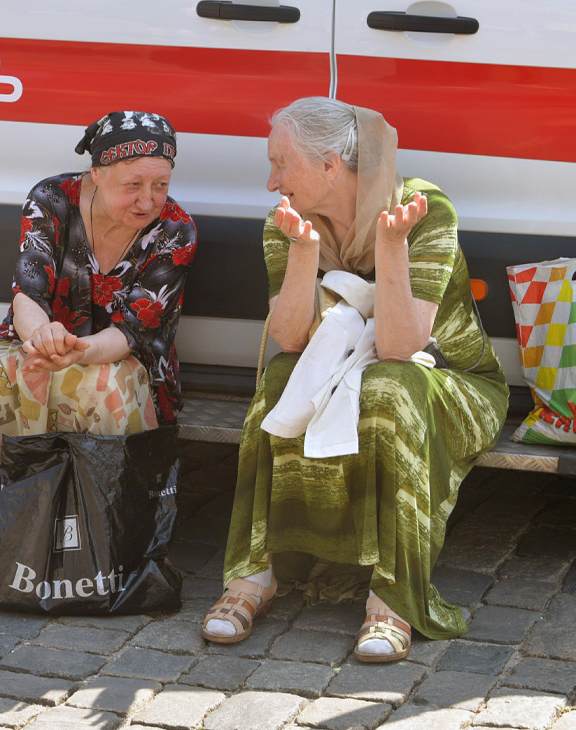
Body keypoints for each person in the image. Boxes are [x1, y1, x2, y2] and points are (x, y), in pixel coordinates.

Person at [201, 97, 508, 662]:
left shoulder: (421, 208)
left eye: (280, 164)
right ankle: (254, 574)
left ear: (327, 165)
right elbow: (292, 340)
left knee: (391, 386)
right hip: (343, 370)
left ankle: (392, 598)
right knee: (282, 375)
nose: (271, 182)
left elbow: (399, 347)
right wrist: (302, 252)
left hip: (453, 381)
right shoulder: (286, 221)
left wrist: (392, 246)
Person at [0, 111, 198, 578]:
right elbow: (27, 293)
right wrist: (41, 337)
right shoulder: (51, 199)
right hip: (36, 335)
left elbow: (131, 332)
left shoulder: (175, 231)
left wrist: (76, 352)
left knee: (100, 387)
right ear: (96, 174)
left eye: (160, 185)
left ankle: (100, 562)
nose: (148, 201)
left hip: (121, 354)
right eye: (133, 185)